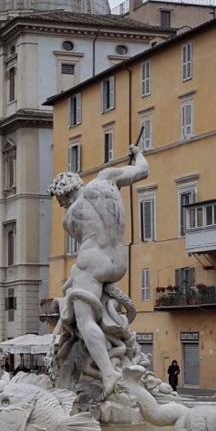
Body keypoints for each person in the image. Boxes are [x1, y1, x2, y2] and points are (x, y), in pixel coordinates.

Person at [48, 144, 149, 398]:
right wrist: (137, 154)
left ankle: (107, 372)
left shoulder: (69, 217)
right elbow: (143, 171)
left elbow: (85, 244)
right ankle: (112, 352)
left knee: (84, 320)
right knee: (72, 289)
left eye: (60, 202)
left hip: (92, 262)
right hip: (118, 261)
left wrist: (74, 280)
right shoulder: (105, 179)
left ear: (63, 198)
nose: (62, 206)